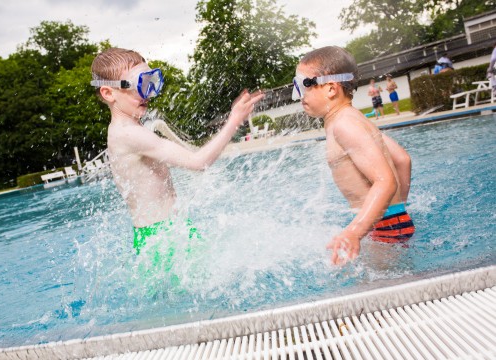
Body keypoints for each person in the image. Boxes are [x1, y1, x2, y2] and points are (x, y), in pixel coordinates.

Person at [90, 47, 264, 255]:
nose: (148, 93)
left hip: (166, 232)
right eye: (140, 85)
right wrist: (234, 121)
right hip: (161, 238)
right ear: (109, 92)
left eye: (150, 82)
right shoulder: (128, 134)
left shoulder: (129, 130)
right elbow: (198, 163)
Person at [292, 46, 414, 265]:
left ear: (331, 89)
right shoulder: (355, 118)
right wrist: (399, 207)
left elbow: (385, 181)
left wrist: (355, 231)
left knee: (379, 291)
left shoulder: (343, 125)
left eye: (304, 86)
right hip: (389, 220)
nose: (300, 96)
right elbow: (402, 159)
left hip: (382, 227)